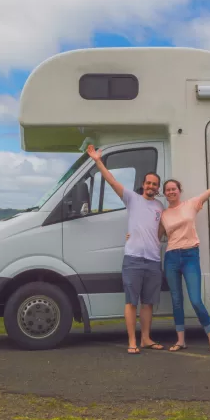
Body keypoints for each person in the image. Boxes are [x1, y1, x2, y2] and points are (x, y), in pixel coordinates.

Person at [85, 144, 166, 355]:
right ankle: (132, 341)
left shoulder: (160, 207)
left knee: (148, 303)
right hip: (133, 259)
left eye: (154, 184)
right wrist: (97, 161)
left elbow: (161, 232)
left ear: (158, 188)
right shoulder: (132, 198)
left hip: (153, 261)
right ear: (143, 184)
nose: (151, 186)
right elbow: (111, 181)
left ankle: (146, 338)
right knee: (131, 302)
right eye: (148, 182)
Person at [158, 168, 210, 353]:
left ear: (179, 191)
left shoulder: (191, 204)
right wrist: (131, 236)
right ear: (164, 194)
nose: (171, 192)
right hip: (171, 257)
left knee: (196, 300)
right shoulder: (163, 215)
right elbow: (155, 237)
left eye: (174, 189)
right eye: (168, 190)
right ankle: (180, 341)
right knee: (176, 300)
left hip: (190, 256)